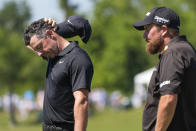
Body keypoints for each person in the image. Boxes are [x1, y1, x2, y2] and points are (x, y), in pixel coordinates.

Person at [24, 16, 94, 131]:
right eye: (37, 50)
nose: (39, 54)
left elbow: (82, 101)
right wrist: (55, 28)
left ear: (49, 34)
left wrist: (56, 31)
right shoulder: (52, 55)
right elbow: (28, 43)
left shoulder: (78, 58)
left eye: (39, 47)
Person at [133, 7, 196, 131]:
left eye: (147, 29)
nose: (144, 35)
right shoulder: (185, 49)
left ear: (163, 30)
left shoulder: (173, 52)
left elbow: (169, 98)